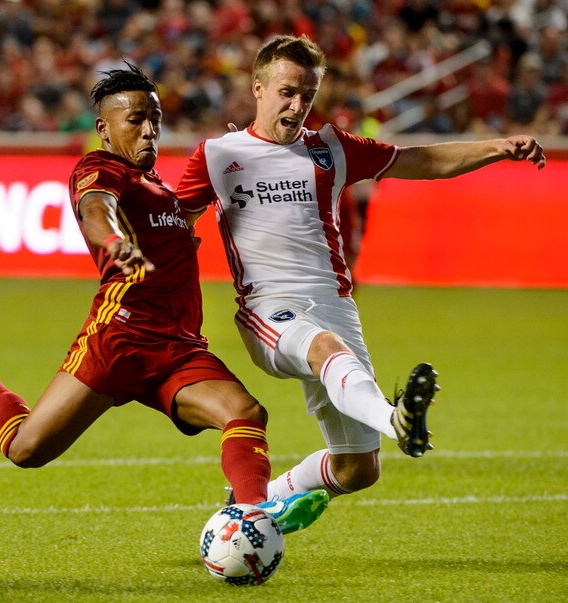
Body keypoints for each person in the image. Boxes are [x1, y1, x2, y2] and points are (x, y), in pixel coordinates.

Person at [0, 64, 328, 534]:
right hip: (118, 341)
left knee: (245, 413)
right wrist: (114, 241)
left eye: (156, 120)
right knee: (24, 449)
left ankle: (252, 513)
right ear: (104, 127)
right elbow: (95, 207)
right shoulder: (100, 168)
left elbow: (191, 215)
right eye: (136, 120)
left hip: (178, 348)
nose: (149, 131)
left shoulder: (159, 188)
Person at [175, 35, 546, 505]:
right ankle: (396, 420)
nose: (297, 105)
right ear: (258, 89)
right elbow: (174, 226)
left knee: (356, 469)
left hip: (335, 306)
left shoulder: (331, 149)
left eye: (307, 95)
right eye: (287, 92)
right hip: (269, 309)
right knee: (324, 348)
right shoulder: (217, 156)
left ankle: (254, 499)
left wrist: (498, 147)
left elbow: (420, 160)